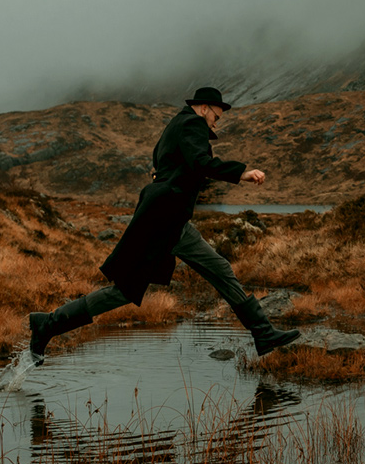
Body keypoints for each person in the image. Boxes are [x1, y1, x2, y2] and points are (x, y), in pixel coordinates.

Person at [24, 86, 300, 366]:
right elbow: (200, 162)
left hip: (164, 216)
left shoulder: (176, 124)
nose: (219, 119)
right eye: (218, 112)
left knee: (131, 289)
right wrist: (241, 173)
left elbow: (163, 165)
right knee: (159, 283)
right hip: (166, 218)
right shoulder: (193, 123)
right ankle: (48, 324)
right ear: (204, 107)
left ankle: (48, 323)